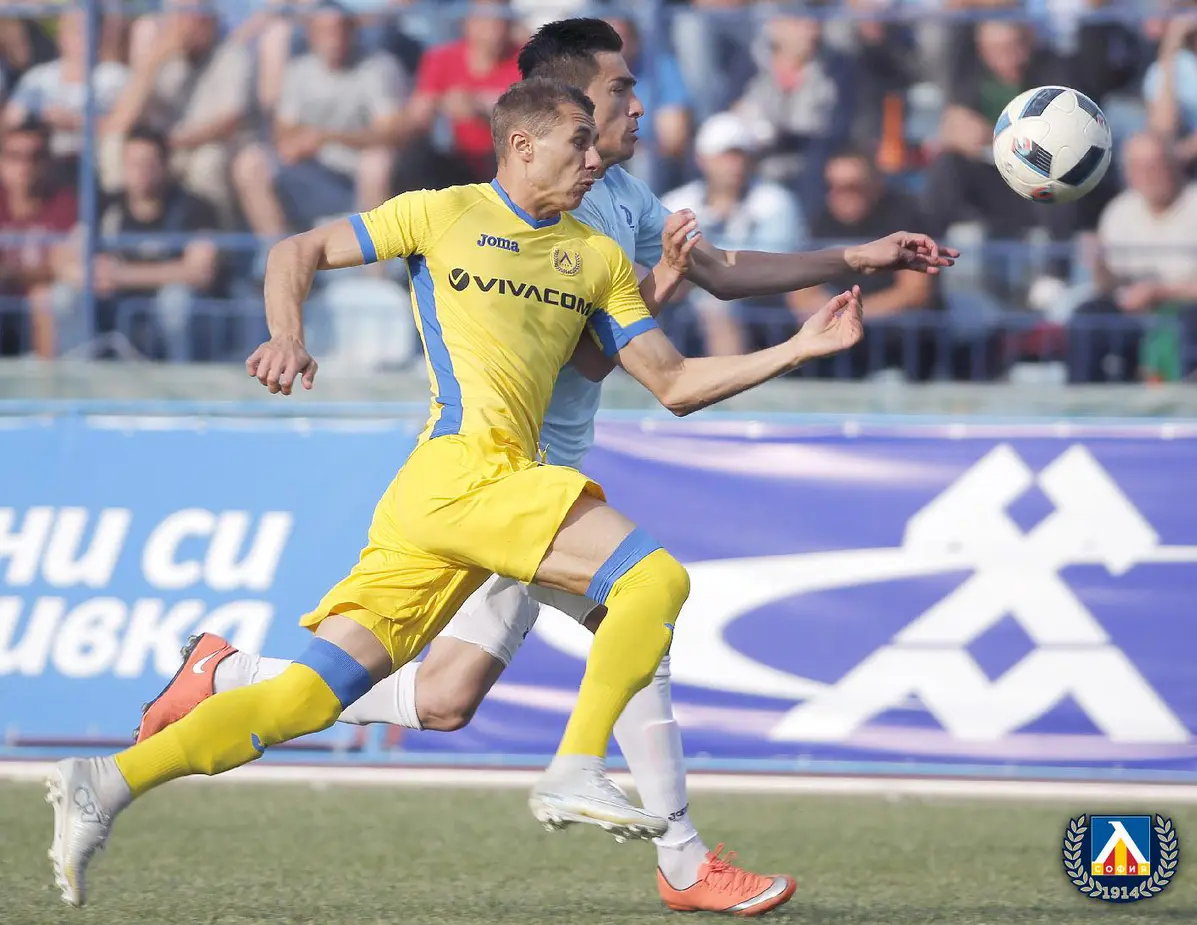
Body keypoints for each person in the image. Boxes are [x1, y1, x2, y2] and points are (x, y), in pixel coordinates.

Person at [130, 18, 956, 917]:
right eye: (619, 90)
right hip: (508, 485)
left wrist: (857, 255)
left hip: (540, 478)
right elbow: (586, 358)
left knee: (446, 699)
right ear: (568, 105)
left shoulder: (620, 194)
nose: (638, 106)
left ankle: (228, 673)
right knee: (639, 615)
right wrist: (660, 291)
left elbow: (721, 270)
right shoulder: (531, 207)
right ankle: (682, 858)